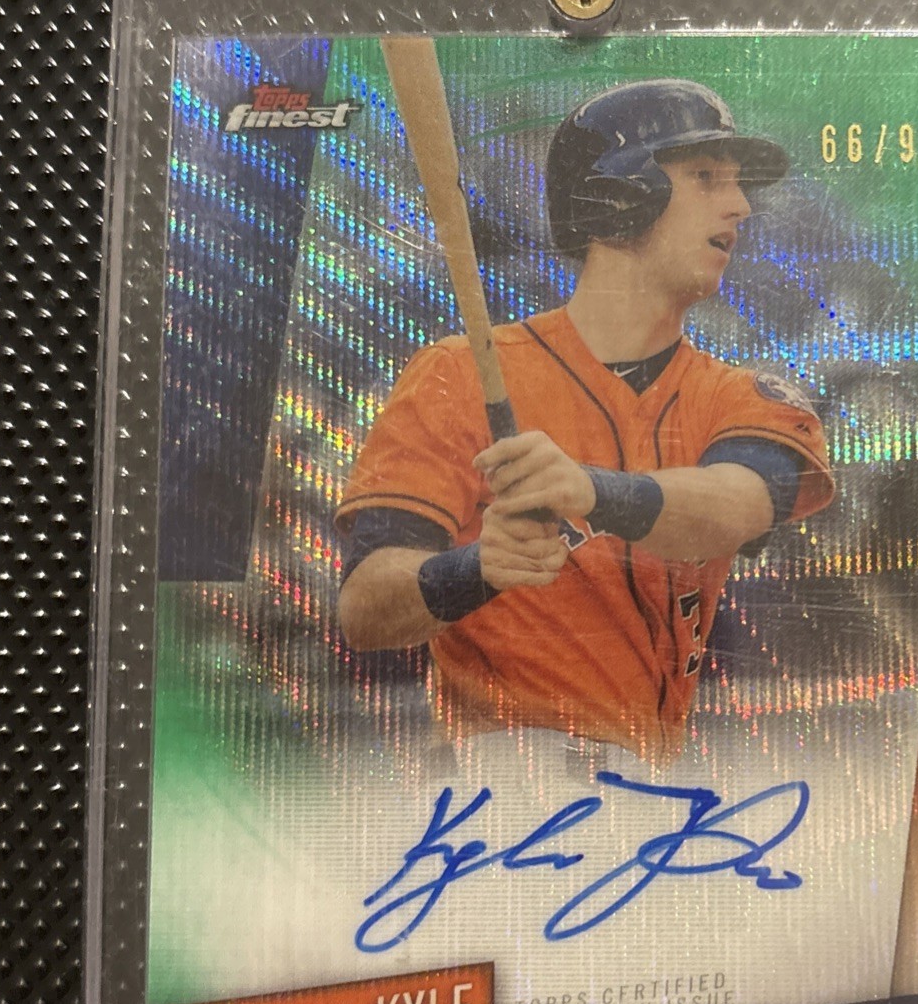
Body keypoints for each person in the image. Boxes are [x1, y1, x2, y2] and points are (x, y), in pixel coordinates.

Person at [334, 79, 834, 760]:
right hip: (499, 781)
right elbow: (364, 610)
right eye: (706, 177)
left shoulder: (746, 397)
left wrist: (590, 490)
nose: (741, 204)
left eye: (736, 183)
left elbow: (740, 505)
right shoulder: (457, 372)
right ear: (620, 198)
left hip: (651, 784)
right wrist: (477, 568)